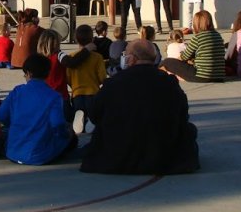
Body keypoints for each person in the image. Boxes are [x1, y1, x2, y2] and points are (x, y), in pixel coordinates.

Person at [81, 39, 199, 175]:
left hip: (119, 155)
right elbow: (182, 114)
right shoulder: (169, 83)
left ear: (131, 58)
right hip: (161, 156)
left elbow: (95, 114)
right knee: (190, 131)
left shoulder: (113, 83)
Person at [0, 53, 77, 165]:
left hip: (13, 152)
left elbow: (1, 115)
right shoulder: (54, 96)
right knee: (69, 133)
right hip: (38, 155)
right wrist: (66, 134)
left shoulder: (17, 91)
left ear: (29, 73)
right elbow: (58, 124)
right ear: (48, 73)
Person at [37, 29, 92, 122]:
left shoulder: (38, 58)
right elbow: (71, 62)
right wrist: (86, 50)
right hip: (60, 96)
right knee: (66, 120)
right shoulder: (59, 54)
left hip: (43, 97)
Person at [160, 10, 225, 82]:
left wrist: (178, 59)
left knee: (167, 61)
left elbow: (184, 57)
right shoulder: (218, 36)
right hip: (219, 76)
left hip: (201, 76)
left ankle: (157, 77)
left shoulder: (198, 37)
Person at [66, 25, 107, 134]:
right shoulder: (97, 57)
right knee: (93, 114)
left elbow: (68, 78)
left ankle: (79, 125)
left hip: (77, 93)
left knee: (79, 113)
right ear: (92, 39)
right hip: (93, 92)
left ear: (76, 39)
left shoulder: (71, 56)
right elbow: (102, 77)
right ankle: (91, 123)